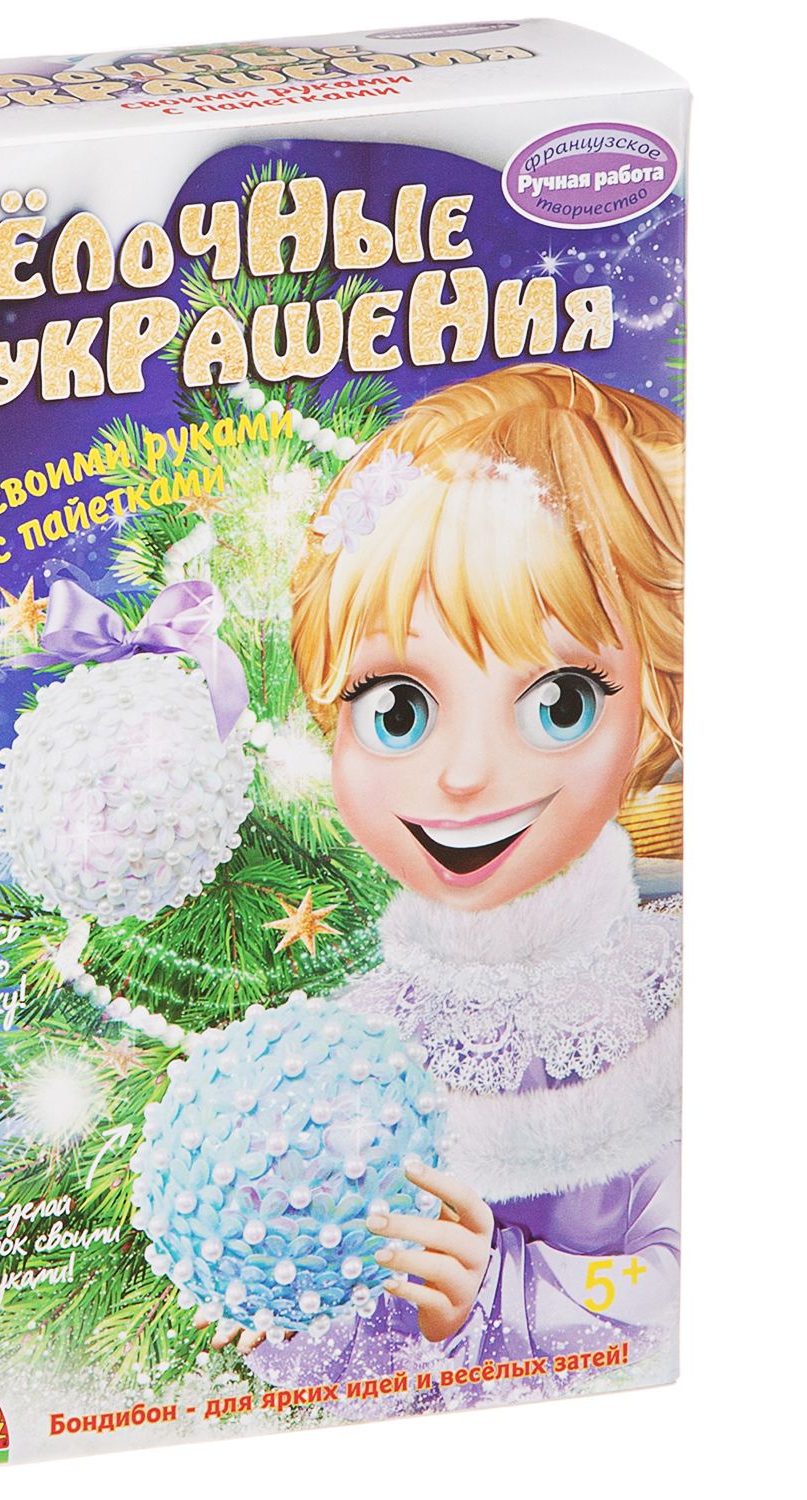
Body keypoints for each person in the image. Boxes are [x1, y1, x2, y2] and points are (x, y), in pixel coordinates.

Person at [212, 363, 684, 1404]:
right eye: (398, 709)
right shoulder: (360, 1037)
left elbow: (689, 1291)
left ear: (653, 708)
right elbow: (346, 1372)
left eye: (561, 702)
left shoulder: (665, 997)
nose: (465, 776)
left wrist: (502, 1289)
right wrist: (287, 1294)